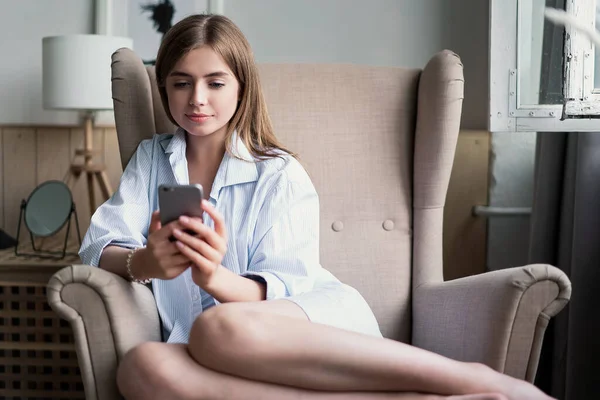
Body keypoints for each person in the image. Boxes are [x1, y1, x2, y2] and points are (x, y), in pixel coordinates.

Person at [80, 14, 553, 400]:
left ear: (241, 88)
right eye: (181, 83)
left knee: (216, 327)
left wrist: (212, 278)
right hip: (200, 346)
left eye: (215, 83)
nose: (197, 99)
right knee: (141, 367)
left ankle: (476, 380)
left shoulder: (278, 173)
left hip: (305, 329)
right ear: (165, 88)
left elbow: (288, 288)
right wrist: (145, 262)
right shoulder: (151, 158)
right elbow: (98, 244)